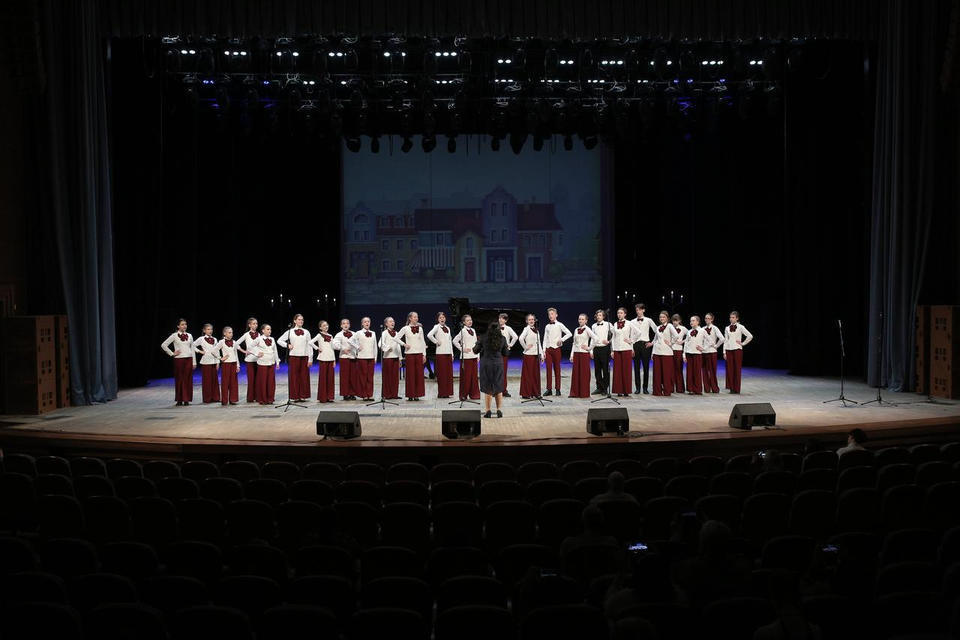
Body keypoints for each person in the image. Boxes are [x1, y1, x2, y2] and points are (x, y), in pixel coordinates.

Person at [477, 321, 510, 417]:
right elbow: (506, 353)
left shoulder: (483, 338)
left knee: (488, 387)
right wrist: (507, 348)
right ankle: (499, 410)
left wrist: (482, 348)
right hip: (498, 364)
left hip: (486, 364)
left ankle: (488, 411)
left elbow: (475, 350)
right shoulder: (503, 339)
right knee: (498, 386)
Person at [278, 313, 312, 402]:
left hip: (304, 357)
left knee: (304, 377)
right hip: (293, 357)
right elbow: (279, 340)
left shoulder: (306, 332)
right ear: (295, 321)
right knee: (294, 377)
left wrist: (310, 358)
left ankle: (303, 395)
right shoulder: (290, 331)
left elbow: (310, 345)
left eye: (302, 320)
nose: (301, 321)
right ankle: (295, 396)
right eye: (299, 319)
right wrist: (287, 345)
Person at [160, 318, 195, 406]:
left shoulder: (190, 335)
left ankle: (186, 399)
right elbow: (163, 345)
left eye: (185, 324)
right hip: (179, 359)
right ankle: (179, 399)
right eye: (182, 324)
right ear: (178, 326)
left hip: (189, 359)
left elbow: (192, 348)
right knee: (180, 379)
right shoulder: (174, 335)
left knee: (187, 379)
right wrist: (172, 353)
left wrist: (194, 362)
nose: (184, 326)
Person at [542, 307, 573, 396]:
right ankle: (549, 389)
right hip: (548, 350)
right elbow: (545, 339)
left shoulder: (560, 325)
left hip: (556, 349)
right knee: (548, 370)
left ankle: (558, 389)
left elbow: (569, 333)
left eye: (552, 314)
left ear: (556, 315)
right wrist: (543, 351)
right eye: (549, 314)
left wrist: (562, 340)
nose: (550, 316)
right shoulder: (547, 326)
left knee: (557, 369)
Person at [396, 311, 426, 401]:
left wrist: (424, 354)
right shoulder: (405, 328)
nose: (416, 318)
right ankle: (410, 394)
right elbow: (396, 338)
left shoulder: (420, 329)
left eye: (417, 317)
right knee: (410, 375)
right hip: (409, 354)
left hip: (419, 353)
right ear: (410, 318)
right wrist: (404, 344)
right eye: (414, 317)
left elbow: (422, 342)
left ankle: (417, 394)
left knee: (418, 375)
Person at [611, 307, 639, 397]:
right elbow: (613, 338)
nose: (619, 314)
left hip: (626, 349)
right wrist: (612, 350)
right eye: (618, 313)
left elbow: (638, 333)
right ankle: (618, 390)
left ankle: (626, 390)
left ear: (625, 314)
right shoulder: (615, 324)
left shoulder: (629, 323)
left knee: (626, 370)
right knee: (617, 371)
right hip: (617, 349)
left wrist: (631, 340)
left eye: (621, 313)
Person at [723, 310, 754, 393]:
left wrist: (743, 343)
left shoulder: (740, 327)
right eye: (730, 317)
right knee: (730, 369)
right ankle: (731, 388)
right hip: (729, 350)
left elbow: (750, 336)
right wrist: (724, 352)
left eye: (733, 317)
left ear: (737, 318)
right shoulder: (727, 328)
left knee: (737, 369)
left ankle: (736, 389)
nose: (731, 319)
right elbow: (726, 340)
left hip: (737, 350)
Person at [452, 314, 481, 400]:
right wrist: (462, 349)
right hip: (466, 357)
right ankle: (464, 394)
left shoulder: (473, 330)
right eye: (467, 320)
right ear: (464, 322)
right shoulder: (463, 331)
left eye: (470, 320)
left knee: (474, 377)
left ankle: (474, 394)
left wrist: (478, 355)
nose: (470, 321)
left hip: (474, 356)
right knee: (466, 377)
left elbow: (476, 344)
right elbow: (455, 341)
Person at [350, 317, 378, 401]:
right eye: (365, 322)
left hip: (371, 357)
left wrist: (375, 357)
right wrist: (357, 347)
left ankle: (370, 394)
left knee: (370, 377)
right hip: (362, 357)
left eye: (368, 321)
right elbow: (350, 341)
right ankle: (364, 394)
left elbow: (375, 346)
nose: (367, 323)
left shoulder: (373, 333)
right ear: (362, 324)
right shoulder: (358, 333)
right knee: (363, 377)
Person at [631, 303, 657, 394]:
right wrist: (631, 348)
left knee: (646, 367)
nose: (638, 311)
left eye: (639, 310)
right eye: (637, 310)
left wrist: (652, 343)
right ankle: (637, 388)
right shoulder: (632, 321)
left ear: (643, 310)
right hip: (636, 345)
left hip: (645, 345)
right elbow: (631, 335)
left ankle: (645, 388)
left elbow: (657, 331)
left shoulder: (648, 320)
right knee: (636, 367)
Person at [427, 311, 454, 398]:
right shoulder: (436, 327)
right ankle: (442, 393)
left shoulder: (448, 328)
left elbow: (450, 341)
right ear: (438, 319)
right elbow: (429, 335)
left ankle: (448, 392)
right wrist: (436, 342)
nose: (442, 319)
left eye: (443, 317)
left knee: (448, 374)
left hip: (448, 353)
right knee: (442, 374)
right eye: (440, 318)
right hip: (441, 353)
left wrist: (452, 354)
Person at [569, 314, 596, 398]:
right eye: (579, 319)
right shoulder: (576, 330)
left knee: (584, 374)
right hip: (576, 353)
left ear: (586, 321)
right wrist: (572, 354)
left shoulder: (587, 329)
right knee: (576, 374)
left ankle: (583, 393)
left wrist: (589, 348)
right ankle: (575, 393)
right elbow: (574, 343)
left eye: (582, 319)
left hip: (584, 354)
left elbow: (596, 338)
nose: (580, 320)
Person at [193, 323, 221, 404]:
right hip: (206, 362)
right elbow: (192, 345)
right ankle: (207, 398)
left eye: (211, 329)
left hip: (214, 361)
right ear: (204, 330)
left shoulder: (215, 339)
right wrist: (199, 351)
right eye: (208, 329)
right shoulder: (201, 339)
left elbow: (217, 351)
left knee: (214, 380)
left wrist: (218, 362)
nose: (210, 331)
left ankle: (215, 397)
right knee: (207, 381)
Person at [252, 324, 280, 404]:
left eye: (270, 329)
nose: (269, 331)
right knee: (263, 382)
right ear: (263, 330)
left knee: (271, 382)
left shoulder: (272, 339)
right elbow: (250, 347)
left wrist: (277, 361)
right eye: (268, 329)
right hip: (262, 363)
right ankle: (263, 399)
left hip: (271, 362)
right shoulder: (259, 339)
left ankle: (270, 399)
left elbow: (275, 351)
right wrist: (257, 353)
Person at [518, 314, 544, 399]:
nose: (531, 321)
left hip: (536, 355)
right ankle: (526, 393)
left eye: (532, 319)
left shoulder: (536, 330)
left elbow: (539, 343)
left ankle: (536, 393)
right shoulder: (526, 329)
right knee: (528, 375)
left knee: (536, 375)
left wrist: (541, 354)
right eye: (529, 320)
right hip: (529, 355)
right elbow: (520, 339)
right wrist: (525, 347)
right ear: (527, 321)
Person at [310, 320, 336, 403]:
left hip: (330, 358)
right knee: (323, 378)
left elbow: (332, 348)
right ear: (320, 327)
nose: (326, 326)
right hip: (323, 359)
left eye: (327, 325)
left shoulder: (330, 336)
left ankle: (330, 396)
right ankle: (323, 397)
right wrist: (317, 348)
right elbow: (310, 342)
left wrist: (334, 360)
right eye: (324, 325)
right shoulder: (319, 335)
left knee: (330, 379)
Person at [235, 317, 260, 403]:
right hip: (250, 360)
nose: (255, 325)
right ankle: (250, 397)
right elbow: (236, 344)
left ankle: (258, 396)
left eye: (256, 323)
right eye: (253, 323)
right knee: (251, 379)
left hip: (258, 360)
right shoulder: (246, 335)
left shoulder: (259, 334)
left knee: (258, 380)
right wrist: (244, 351)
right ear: (249, 325)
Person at [651, 310, 676, 396]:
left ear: (667, 318)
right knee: (657, 373)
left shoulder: (670, 326)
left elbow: (676, 336)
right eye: (660, 317)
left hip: (667, 352)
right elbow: (655, 340)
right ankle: (657, 391)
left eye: (663, 317)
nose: (661, 318)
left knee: (666, 373)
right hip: (657, 351)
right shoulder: (658, 327)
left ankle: (667, 391)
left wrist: (671, 343)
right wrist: (652, 353)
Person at [378, 316, 402, 400]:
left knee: (395, 377)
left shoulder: (397, 333)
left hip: (395, 357)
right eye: (390, 321)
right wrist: (387, 348)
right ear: (386, 324)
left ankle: (394, 394)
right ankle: (387, 394)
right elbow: (380, 344)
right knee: (387, 377)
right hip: (387, 358)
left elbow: (398, 346)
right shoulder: (384, 333)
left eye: (393, 321)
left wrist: (400, 358)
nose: (392, 323)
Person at [332, 318, 357, 400]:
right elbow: (334, 345)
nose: (346, 325)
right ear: (341, 325)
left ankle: (352, 393)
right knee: (344, 377)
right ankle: (345, 394)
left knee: (353, 376)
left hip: (353, 357)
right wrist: (343, 349)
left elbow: (357, 343)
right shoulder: (339, 335)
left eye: (347, 323)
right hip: (344, 357)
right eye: (344, 323)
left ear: (349, 325)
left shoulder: (354, 334)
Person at [216, 326, 240, 405]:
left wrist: (238, 365)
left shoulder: (234, 342)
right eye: (229, 332)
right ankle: (224, 400)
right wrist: (220, 358)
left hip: (233, 363)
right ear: (224, 333)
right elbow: (213, 351)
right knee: (225, 382)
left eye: (232, 332)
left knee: (233, 383)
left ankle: (232, 399)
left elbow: (236, 354)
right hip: (226, 364)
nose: (231, 334)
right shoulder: (221, 342)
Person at [700, 312, 723, 393]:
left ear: (712, 319)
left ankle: (714, 388)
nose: (707, 320)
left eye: (708, 318)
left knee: (712, 371)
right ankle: (706, 388)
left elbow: (722, 338)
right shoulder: (702, 329)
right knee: (704, 371)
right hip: (704, 352)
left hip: (712, 352)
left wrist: (716, 346)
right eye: (705, 318)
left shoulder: (715, 328)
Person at [591, 309, 613, 395]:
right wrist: (591, 350)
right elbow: (592, 338)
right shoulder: (593, 326)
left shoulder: (608, 324)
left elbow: (616, 334)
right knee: (597, 370)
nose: (598, 317)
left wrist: (609, 341)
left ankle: (605, 388)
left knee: (605, 369)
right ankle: (599, 387)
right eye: (597, 315)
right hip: (596, 348)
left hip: (605, 349)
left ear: (603, 316)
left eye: (600, 315)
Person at [683, 315, 706, 395]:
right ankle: (690, 389)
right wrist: (684, 355)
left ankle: (698, 389)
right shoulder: (689, 331)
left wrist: (703, 348)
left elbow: (710, 341)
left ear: (698, 322)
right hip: (689, 353)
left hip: (697, 354)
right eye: (690, 321)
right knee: (690, 372)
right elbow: (686, 344)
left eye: (693, 320)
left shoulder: (702, 330)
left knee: (697, 372)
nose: (691, 322)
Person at [498, 313, 519, 397]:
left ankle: (504, 390)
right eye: (499, 318)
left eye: (502, 318)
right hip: (496, 352)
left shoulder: (508, 328)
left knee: (503, 371)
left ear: (506, 320)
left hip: (504, 352)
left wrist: (510, 345)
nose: (500, 319)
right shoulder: (495, 327)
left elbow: (515, 337)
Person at [670, 313, 688, 393]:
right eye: (673, 320)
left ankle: (680, 388)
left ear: (679, 321)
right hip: (670, 350)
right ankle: (670, 388)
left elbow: (690, 335)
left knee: (679, 369)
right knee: (671, 369)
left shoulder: (683, 328)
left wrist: (683, 341)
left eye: (676, 320)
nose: (674, 322)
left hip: (679, 350)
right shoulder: (670, 327)